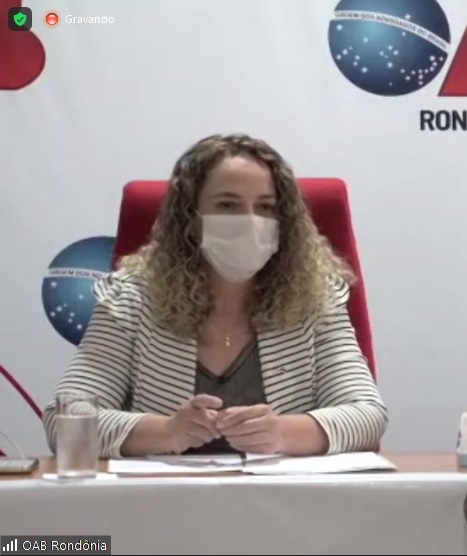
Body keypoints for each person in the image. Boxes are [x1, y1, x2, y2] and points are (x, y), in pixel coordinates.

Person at [42, 133, 389, 459]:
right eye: (228, 205)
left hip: (283, 499)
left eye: (266, 207)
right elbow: (64, 420)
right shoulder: (131, 298)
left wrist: (283, 434)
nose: (251, 221)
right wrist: (165, 433)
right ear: (190, 219)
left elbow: (368, 415)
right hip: (161, 499)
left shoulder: (315, 298)